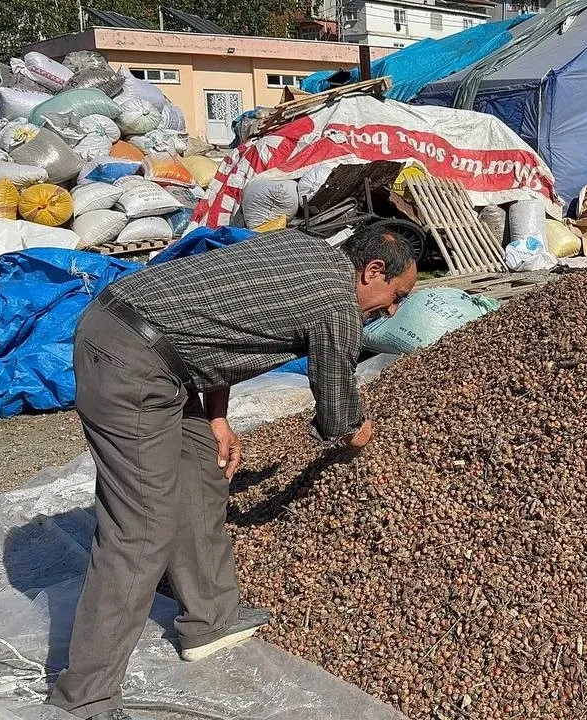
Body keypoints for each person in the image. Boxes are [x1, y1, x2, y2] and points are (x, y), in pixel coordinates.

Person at [48, 226, 418, 720]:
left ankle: (210, 621)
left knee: (202, 473)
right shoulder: (337, 303)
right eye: (396, 296)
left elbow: (225, 323)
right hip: (129, 359)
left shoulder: (306, 247)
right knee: (140, 530)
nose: (392, 310)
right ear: (373, 272)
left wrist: (217, 416)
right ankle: (85, 696)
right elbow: (336, 410)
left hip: (154, 347)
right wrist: (360, 437)